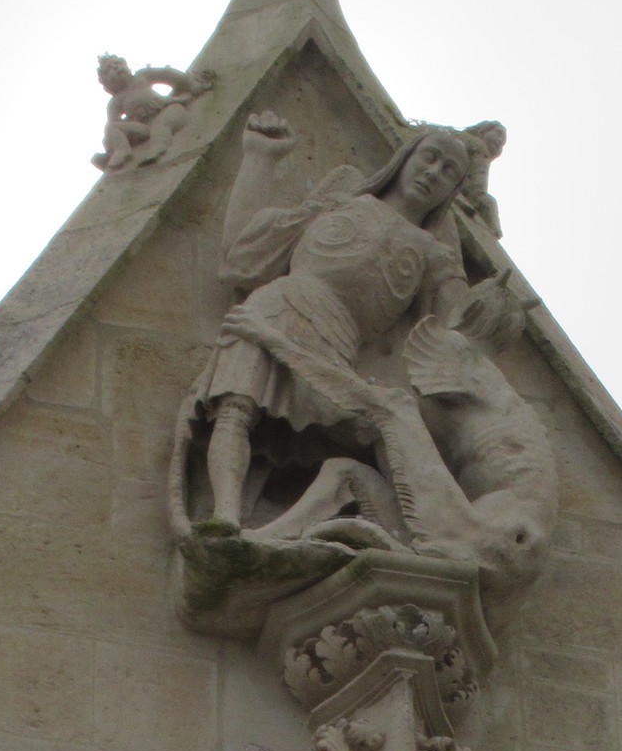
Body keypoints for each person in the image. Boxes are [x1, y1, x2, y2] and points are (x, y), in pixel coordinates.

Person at [195, 113, 473, 529]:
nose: (433, 173)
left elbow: (458, 335)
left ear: (452, 191)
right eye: (429, 157)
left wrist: (465, 286)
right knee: (235, 407)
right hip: (274, 307)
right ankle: (224, 519)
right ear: (405, 158)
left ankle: (422, 530)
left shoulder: (433, 252)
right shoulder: (344, 197)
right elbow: (240, 257)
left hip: (336, 345)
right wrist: (259, 157)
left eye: (449, 172)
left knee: (382, 427)